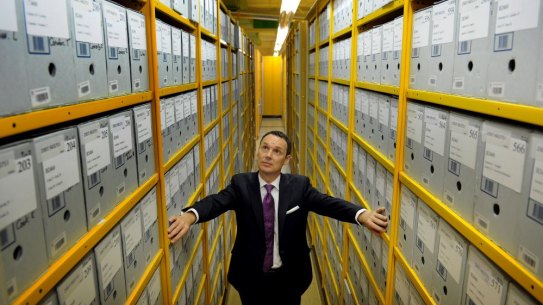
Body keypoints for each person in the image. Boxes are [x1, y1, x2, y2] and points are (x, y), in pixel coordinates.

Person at [168, 130, 388, 305]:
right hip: (250, 276)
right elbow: (215, 202)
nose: (268, 155)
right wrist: (189, 216)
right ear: (258, 151)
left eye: (276, 151)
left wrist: (362, 214)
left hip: (289, 277)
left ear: (286, 159)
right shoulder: (241, 184)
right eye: (264, 148)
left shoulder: (300, 186)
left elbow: (328, 204)